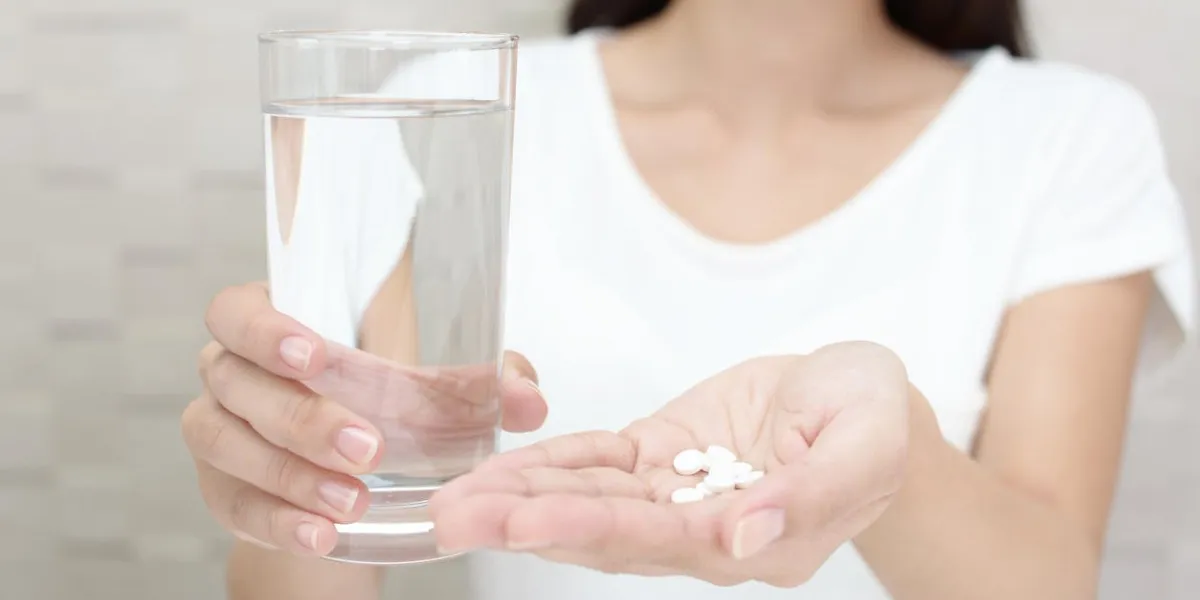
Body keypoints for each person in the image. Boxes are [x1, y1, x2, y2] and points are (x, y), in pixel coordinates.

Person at [182, 0, 1197, 598]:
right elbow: (317, 575)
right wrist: (290, 484)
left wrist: (899, 467)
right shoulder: (436, 109)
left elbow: (1048, 581)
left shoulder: (1064, 138)